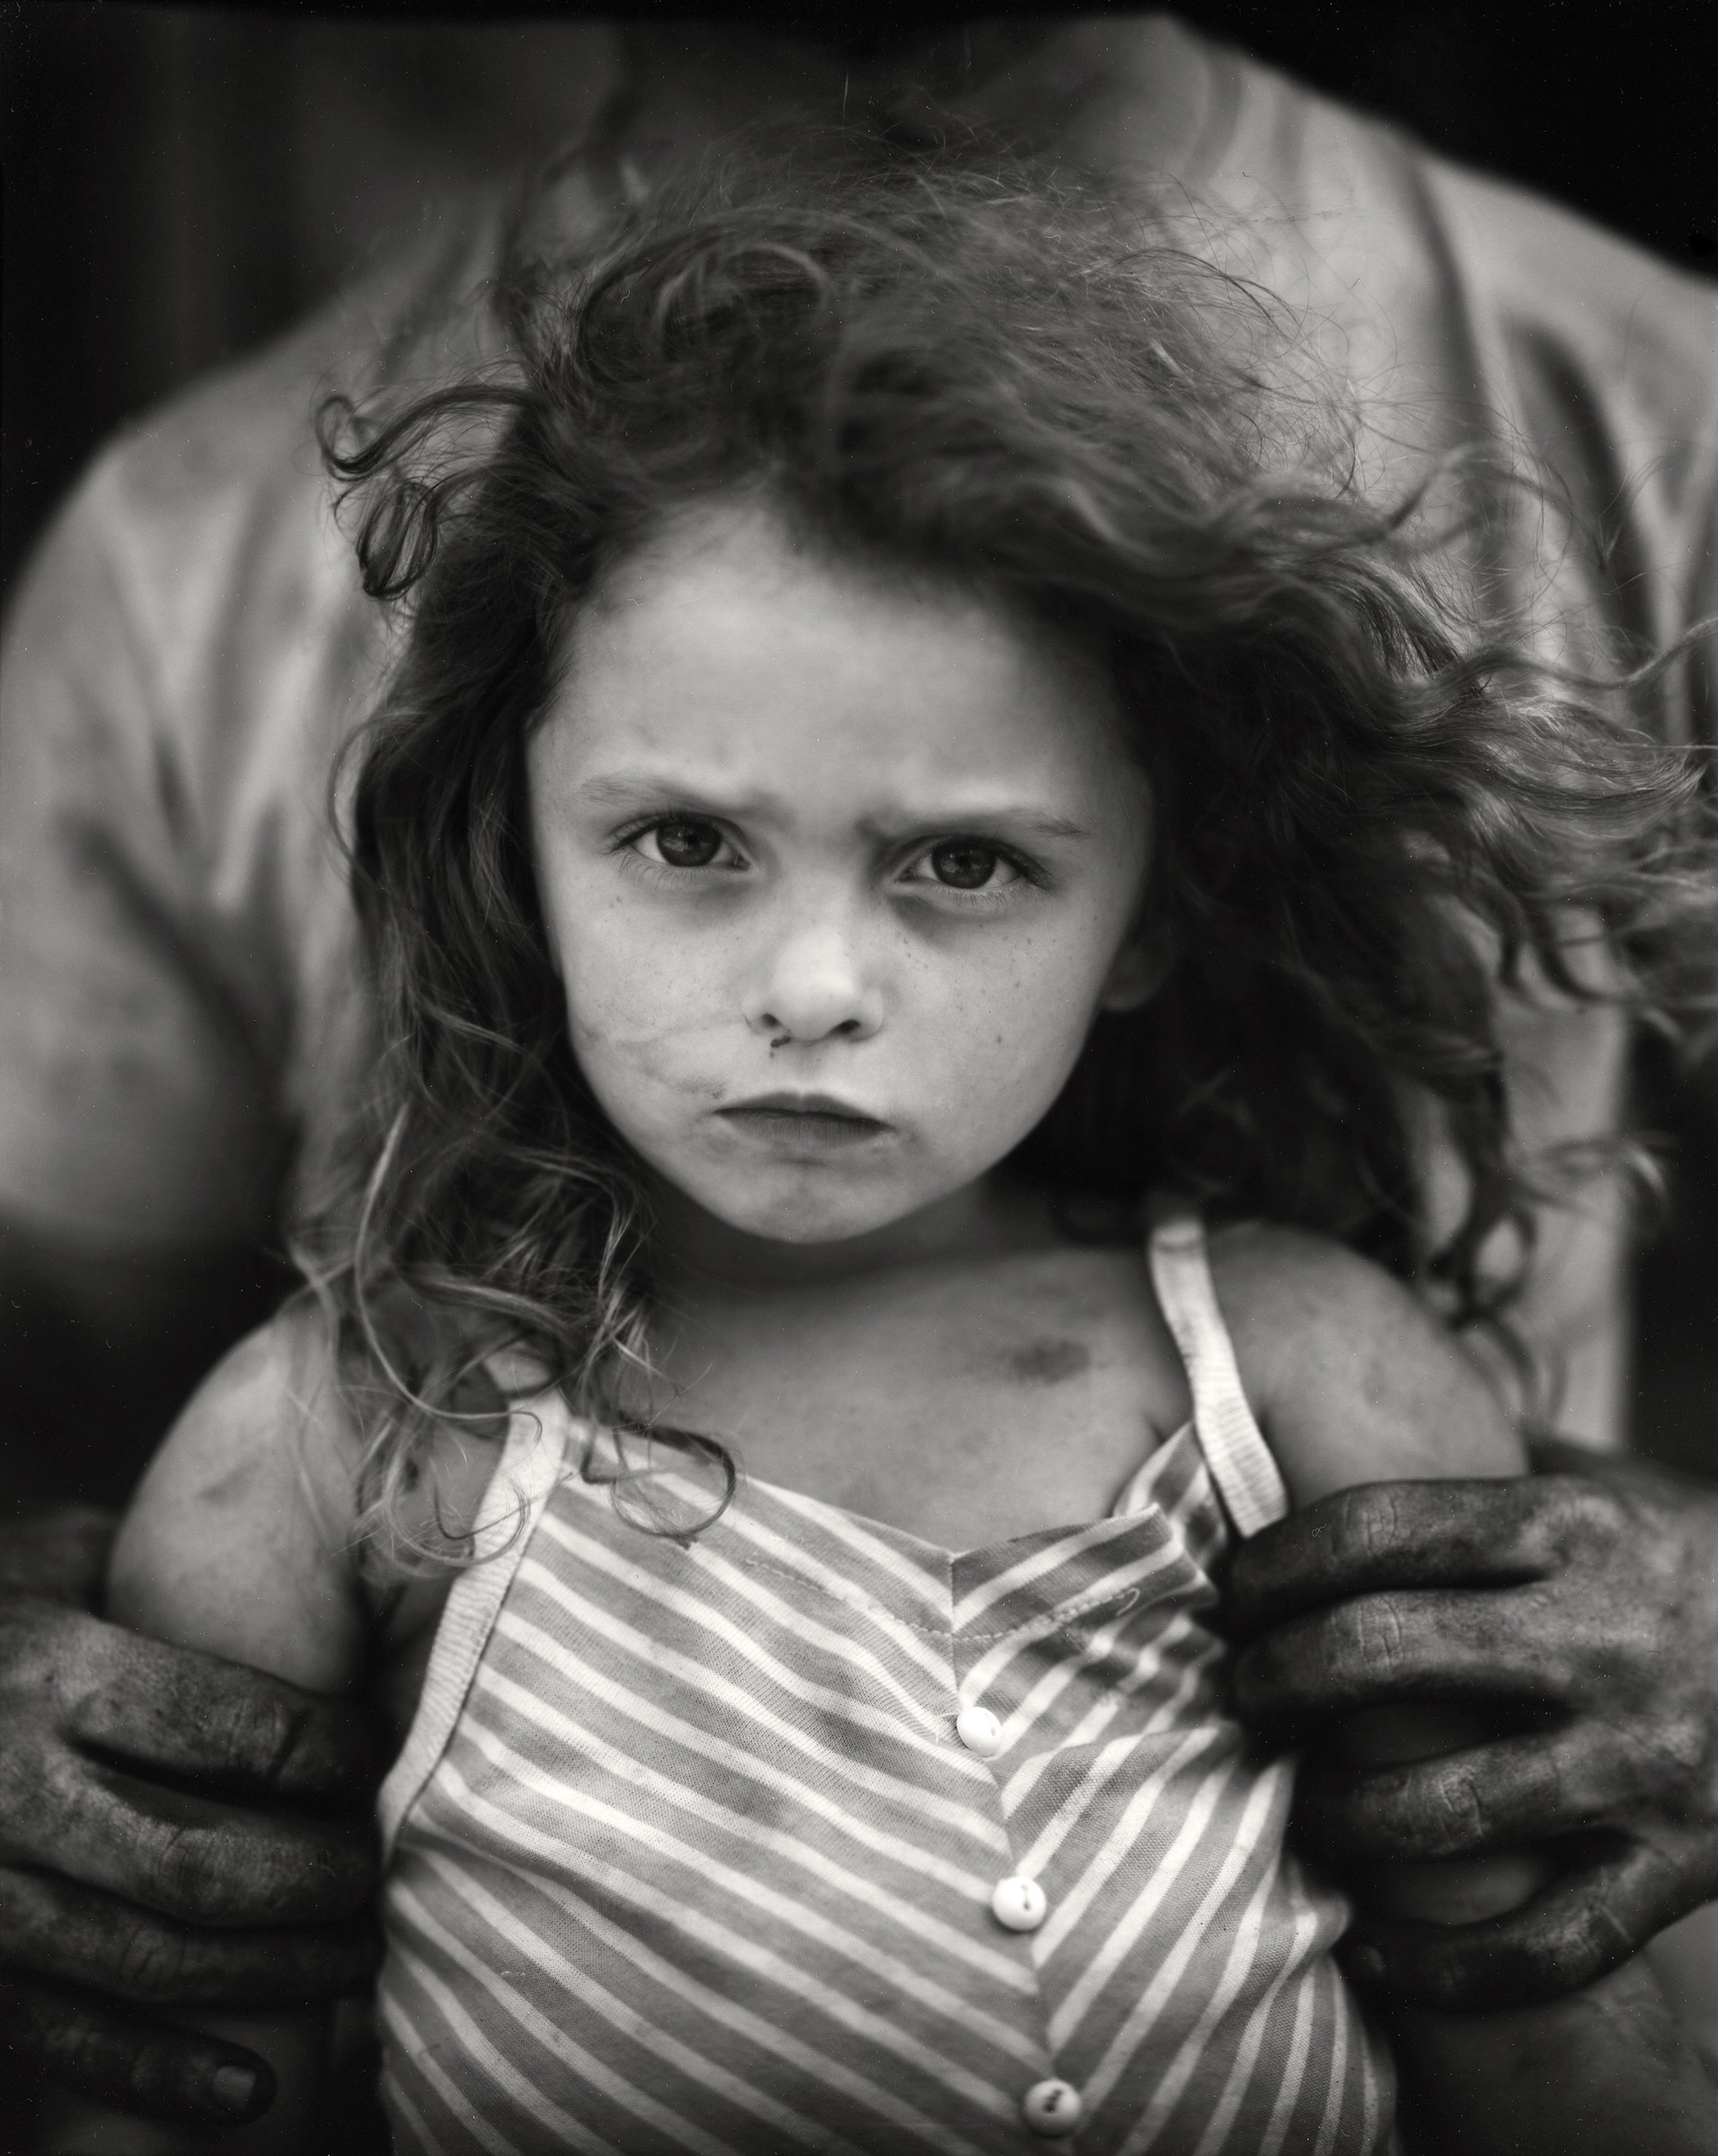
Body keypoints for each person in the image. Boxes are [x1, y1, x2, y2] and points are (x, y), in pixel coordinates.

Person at [3, 13, 1716, 2134]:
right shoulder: (332, 1453)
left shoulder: (1308, 1385)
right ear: (504, 848)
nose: (813, 985)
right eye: (685, 844)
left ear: (1153, 905)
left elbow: (1572, 2083)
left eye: (966, 865)